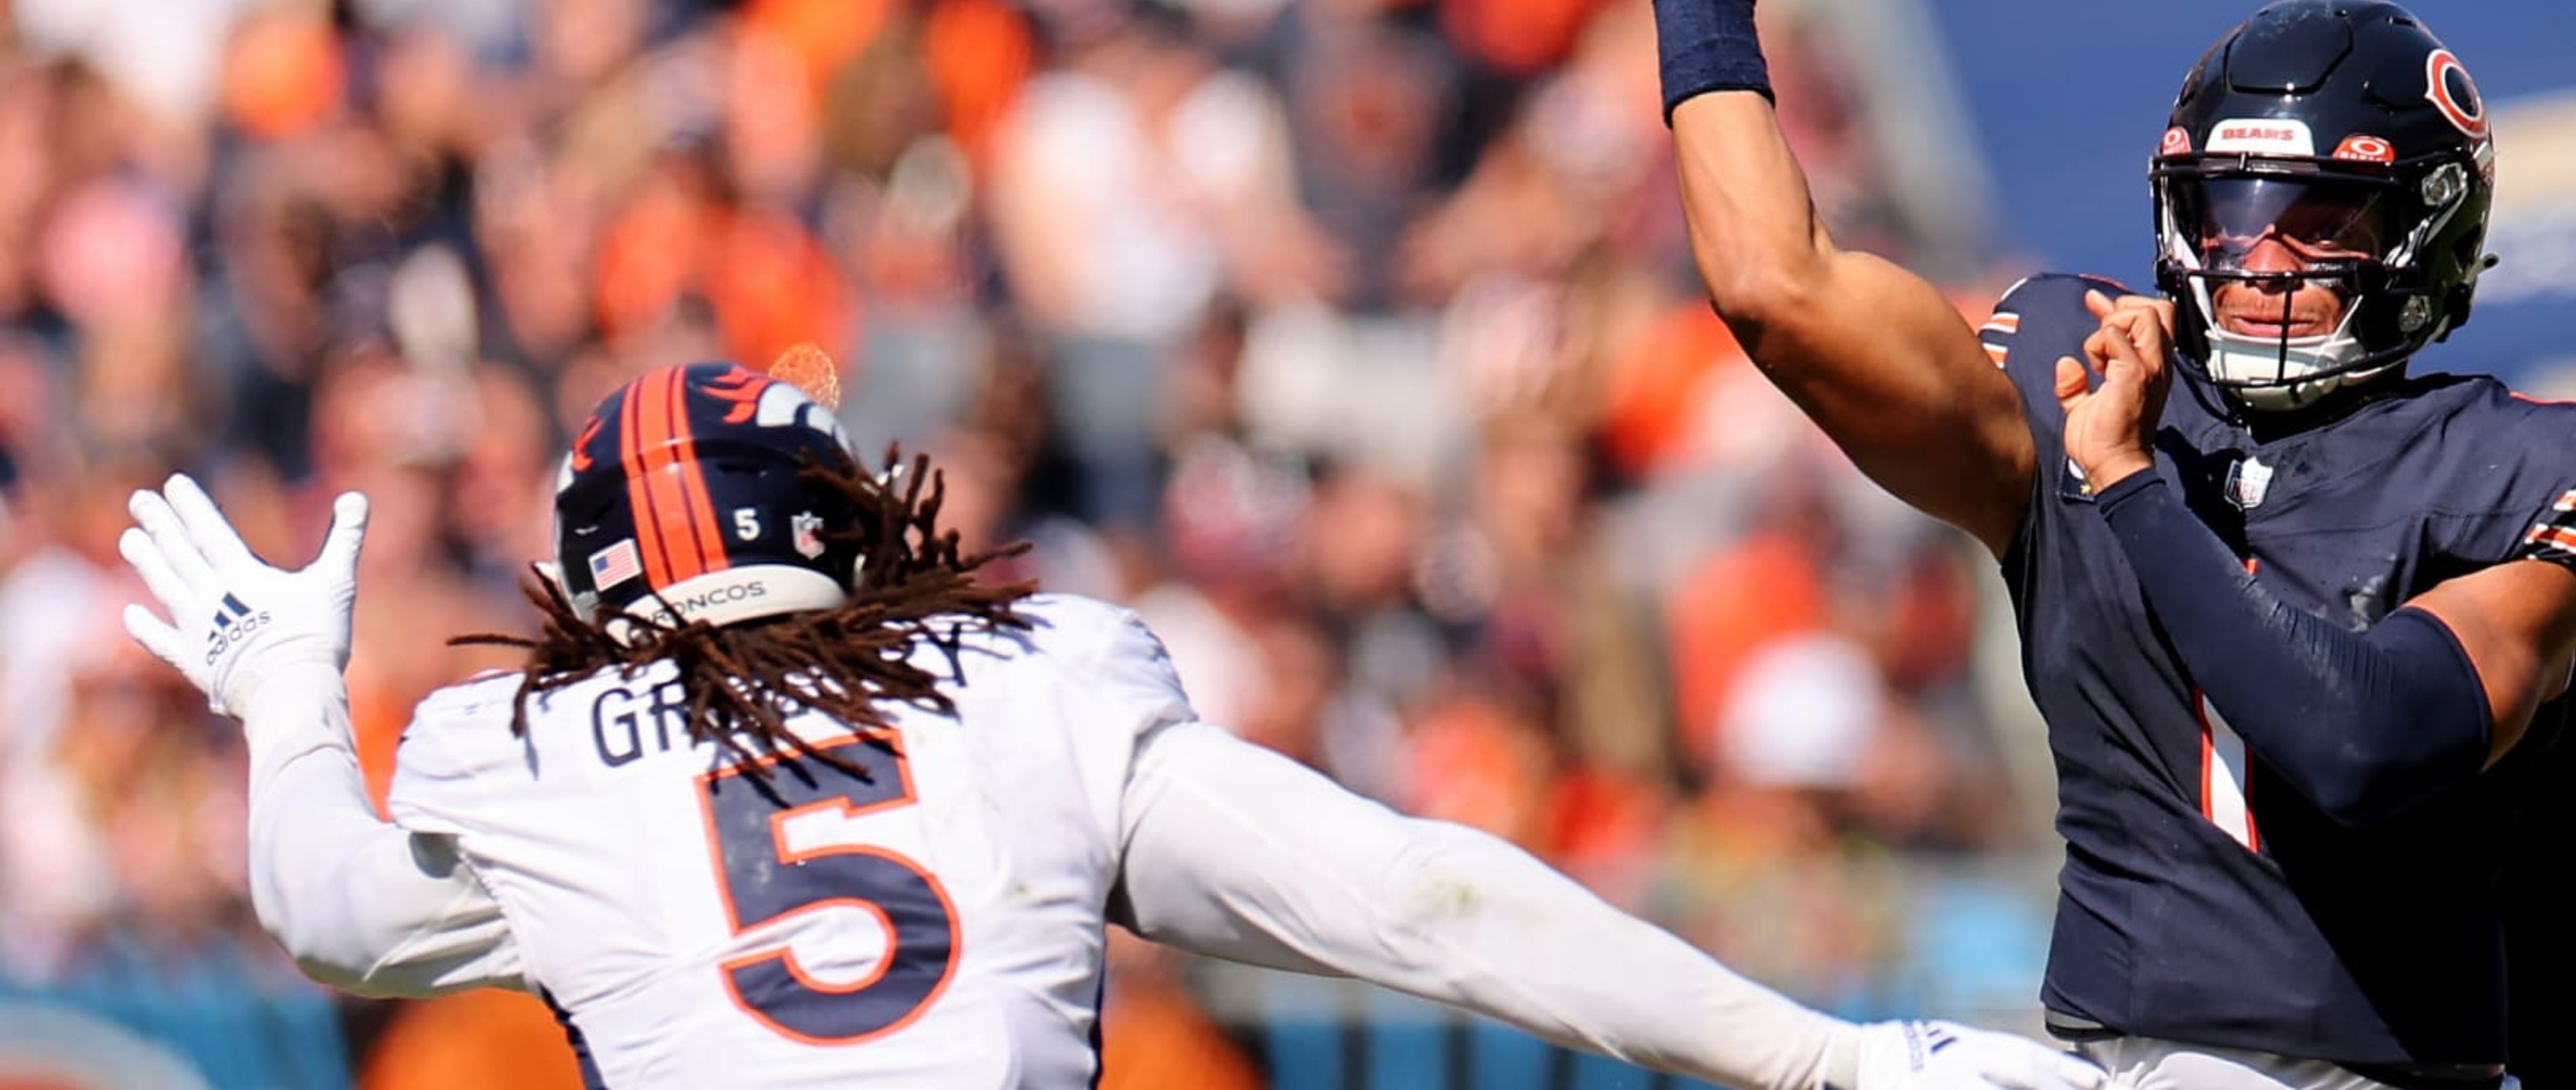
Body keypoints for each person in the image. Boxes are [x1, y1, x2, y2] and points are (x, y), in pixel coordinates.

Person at [115, 360, 2103, 1090]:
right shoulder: (1031, 678)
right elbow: (1419, 901)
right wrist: (1816, 1062)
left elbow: (329, 917)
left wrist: (288, 695)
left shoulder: (514, 749)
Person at [1625, 0, 2576, 1090]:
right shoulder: (2076, 355)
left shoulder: (2542, 468)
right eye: (2227, 211)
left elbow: (2365, 748)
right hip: (2104, 1067)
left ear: (2429, 235)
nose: (2257, 261)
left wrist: (2130, 488)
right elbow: (1778, 293)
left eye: (2319, 217)